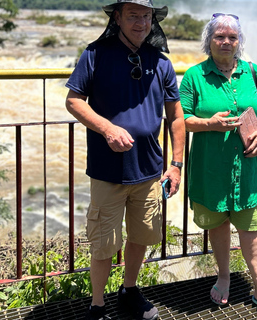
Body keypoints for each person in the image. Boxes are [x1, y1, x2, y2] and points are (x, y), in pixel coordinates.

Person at [64, 1, 185, 319]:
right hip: (108, 172)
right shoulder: (96, 54)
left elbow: (175, 116)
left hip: (149, 171)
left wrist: (176, 164)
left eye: (146, 16)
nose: (141, 22)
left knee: (142, 235)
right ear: (117, 18)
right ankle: (97, 305)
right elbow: (74, 101)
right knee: (104, 243)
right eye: (133, 15)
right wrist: (106, 128)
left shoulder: (161, 63)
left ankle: (129, 290)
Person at [179, 13, 257, 320]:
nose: (226, 42)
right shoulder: (195, 76)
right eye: (219, 37)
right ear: (209, 41)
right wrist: (209, 123)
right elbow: (182, 119)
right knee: (217, 225)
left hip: (249, 170)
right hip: (211, 169)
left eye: (232, 37)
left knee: (252, 229)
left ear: (239, 42)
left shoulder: (252, 72)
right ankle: (224, 276)